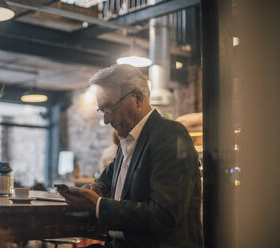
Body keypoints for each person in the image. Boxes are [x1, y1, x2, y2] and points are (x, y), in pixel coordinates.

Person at [57, 64, 202, 248]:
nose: (106, 120)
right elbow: (106, 180)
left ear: (138, 98)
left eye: (109, 108)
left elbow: (165, 215)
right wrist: (95, 189)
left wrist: (99, 205)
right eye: (102, 111)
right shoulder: (129, 139)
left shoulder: (169, 135)